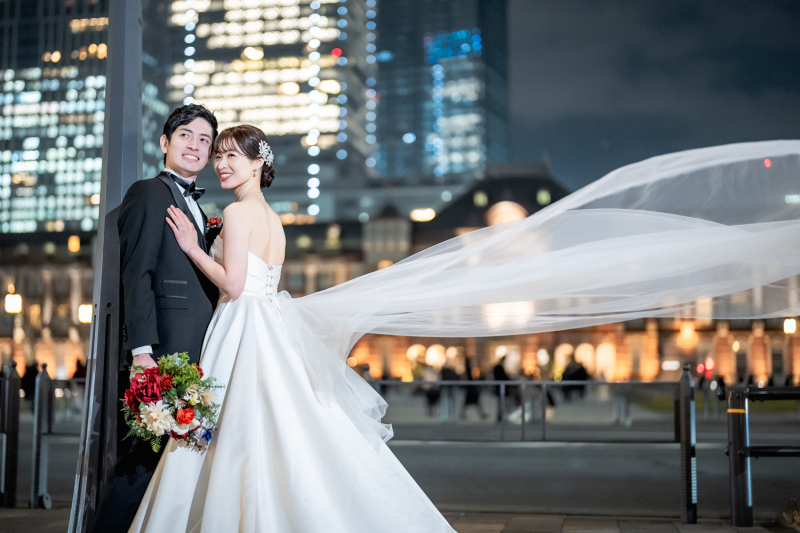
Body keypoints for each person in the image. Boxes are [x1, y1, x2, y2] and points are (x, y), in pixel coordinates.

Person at [128, 125, 456, 532]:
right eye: (220, 156)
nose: (222, 164)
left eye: (233, 156)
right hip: (268, 322)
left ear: (257, 164)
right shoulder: (273, 219)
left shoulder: (235, 212)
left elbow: (232, 283)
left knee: (232, 427)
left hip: (241, 322)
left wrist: (193, 247)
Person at [89, 104, 220, 533]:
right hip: (162, 350)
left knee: (170, 457)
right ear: (165, 143)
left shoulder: (199, 207)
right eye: (186, 135)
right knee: (140, 459)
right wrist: (142, 353)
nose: (195, 145)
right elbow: (137, 273)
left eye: (204, 140)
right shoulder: (148, 192)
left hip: (193, 347)